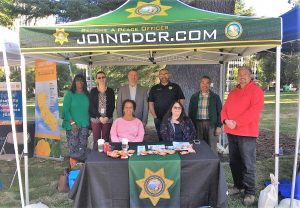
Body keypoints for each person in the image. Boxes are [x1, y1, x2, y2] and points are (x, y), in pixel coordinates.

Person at [221, 66, 264, 206]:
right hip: (231, 132)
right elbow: (225, 109)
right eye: (239, 74)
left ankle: (250, 192)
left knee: (248, 164)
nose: (242, 76)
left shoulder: (256, 91)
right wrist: (225, 120)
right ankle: (238, 186)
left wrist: (237, 123)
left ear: (250, 76)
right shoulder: (233, 92)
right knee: (234, 162)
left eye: (245, 74)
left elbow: (254, 112)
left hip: (247, 133)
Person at [188, 75, 222, 155]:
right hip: (197, 124)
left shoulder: (215, 97)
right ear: (200, 84)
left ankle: (213, 165)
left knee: (212, 146)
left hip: (211, 124)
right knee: (198, 145)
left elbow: (220, 112)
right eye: (202, 82)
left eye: (207, 83)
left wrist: (219, 126)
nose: (205, 85)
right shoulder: (194, 97)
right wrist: (191, 126)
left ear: (210, 85)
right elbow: (191, 112)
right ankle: (201, 164)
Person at [148, 68, 185, 141]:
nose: (163, 76)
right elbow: (150, 103)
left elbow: (181, 99)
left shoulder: (176, 87)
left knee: (173, 136)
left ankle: (172, 152)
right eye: (161, 74)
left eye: (165, 74)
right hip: (159, 118)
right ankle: (163, 152)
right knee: (161, 137)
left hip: (173, 117)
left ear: (169, 75)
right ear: (159, 76)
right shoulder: (154, 88)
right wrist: (155, 116)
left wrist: (178, 113)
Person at [62, 73, 90, 163]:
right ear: (74, 82)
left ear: (84, 82)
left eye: (82, 80)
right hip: (72, 124)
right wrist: (72, 123)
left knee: (83, 146)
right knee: (73, 146)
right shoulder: (70, 94)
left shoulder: (87, 94)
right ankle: (74, 168)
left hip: (84, 124)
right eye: (78, 80)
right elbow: (65, 110)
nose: (80, 82)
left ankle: (82, 167)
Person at [89, 71, 115, 143]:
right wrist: (99, 117)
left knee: (106, 139)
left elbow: (112, 105)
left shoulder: (110, 91)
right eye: (99, 77)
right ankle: (96, 153)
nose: (101, 79)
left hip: (107, 118)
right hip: (95, 118)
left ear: (105, 78)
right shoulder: (93, 91)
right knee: (96, 140)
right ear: (97, 79)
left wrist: (107, 117)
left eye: (103, 77)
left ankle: (105, 153)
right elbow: (91, 106)